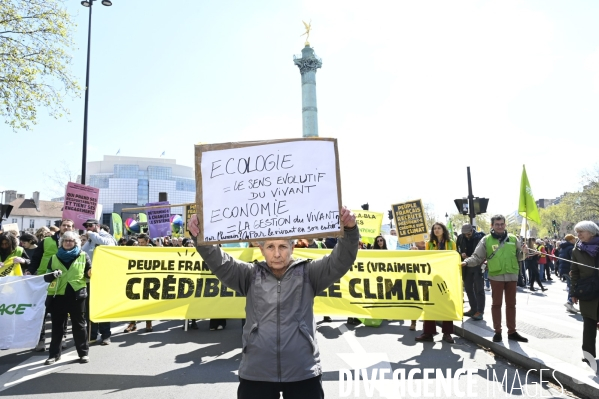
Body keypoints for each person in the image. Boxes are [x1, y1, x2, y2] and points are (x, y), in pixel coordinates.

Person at [188, 207, 358, 398]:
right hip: (256, 373)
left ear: (292, 247)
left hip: (303, 372)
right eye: (270, 247)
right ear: (261, 249)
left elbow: (341, 260)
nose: (277, 254)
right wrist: (199, 237)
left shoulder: (310, 273)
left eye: (283, 246)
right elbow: (219, 261)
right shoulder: (248, 275)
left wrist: (350, 230)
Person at [461, 215, 529, 343]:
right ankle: (497, 331)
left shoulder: (513, 239)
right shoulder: (486, 240)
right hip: (496, 276)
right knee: (496, 304)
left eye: (502, 224)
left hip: (512, 275)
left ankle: (512, 332)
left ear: (505, 225)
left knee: (511, 305)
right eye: (497, 224)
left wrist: (525, 252)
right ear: (492, 225)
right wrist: (466, 262)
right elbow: (477, 257)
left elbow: (520, 257)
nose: (500, 226)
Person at [43, 231, 91, 365]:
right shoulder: (54, 257)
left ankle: (83, 354)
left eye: (71, 241)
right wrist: (53, 274)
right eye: (65, 240)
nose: (68, 242)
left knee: (79, 326)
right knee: (57, 326)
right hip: (58, 296)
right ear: (61, 242)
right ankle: (54, 355)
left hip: (77, 295)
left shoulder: (83, 255)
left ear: (76, 243)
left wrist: (91, 272)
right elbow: (46, 277)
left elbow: (89, 274)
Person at [28, 219, 75, 352]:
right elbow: (36, 258)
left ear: (72, 228)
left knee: (62, 311)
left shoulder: (73, 242)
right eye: (64, 225)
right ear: (60, 227)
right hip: (45, 279)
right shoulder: (47, 241)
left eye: (69, 226)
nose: (66, 227)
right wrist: (30, 270)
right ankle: (40, 340)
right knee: (42, 311)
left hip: (63, 281)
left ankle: (62, 337)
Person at [415, 222, 457, 344]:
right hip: (432, 278)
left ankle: (447, 333)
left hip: (446, 278)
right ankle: (428, 333)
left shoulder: (451, 244)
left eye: (439, 228)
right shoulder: (429, 244)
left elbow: (453, 259)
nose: (436, 230)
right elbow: (427, 259)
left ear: (443, 230)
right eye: (434, 229)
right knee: (429, 304)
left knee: (447, 305)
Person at [82, 218, 116, 345]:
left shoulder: (104, 236)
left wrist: (92, 235)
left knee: (103, 307)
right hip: (90, 278)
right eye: (86, 226)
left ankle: (106, 335)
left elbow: (110, 245)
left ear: (98, 225)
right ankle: (92, 334)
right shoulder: (91, 239)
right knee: (90, 308)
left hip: (103, 279)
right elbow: (83, 254)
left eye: (90, 225)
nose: (88, 228)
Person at [570, 221, 599, 365]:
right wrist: (573, 292)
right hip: (587, 290)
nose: (578, 234)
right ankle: (588, 355)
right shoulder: (577, 249)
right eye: (577, 232)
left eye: (581, 231)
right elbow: (574, 272)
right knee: (588, 323)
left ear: (591, 233)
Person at [124, 233, 153, 333]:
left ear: (147, 241)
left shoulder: (155, 251)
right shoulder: (135, 250)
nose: (140, 244)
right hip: (136, 279)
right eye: (139, 242)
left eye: (142, 243)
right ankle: (133, 323)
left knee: (147, 302)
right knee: (134, 301)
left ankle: (148, 322)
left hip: (149, 279)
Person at [456, 224, 486, 320]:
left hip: (478, 265)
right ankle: (473, 308)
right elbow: (458, 249)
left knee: (479, 289)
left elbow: (485, 251)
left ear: (472, 230)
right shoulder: (460, 237)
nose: (467, 236)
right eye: (465, 234)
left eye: (468, 234)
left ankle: (480, 311)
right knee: (468, 288)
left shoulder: (480, 236)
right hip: (466, 266)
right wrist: (462, 254)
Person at [559, 234, 577, 313]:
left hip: (564, 269)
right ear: (571, 240)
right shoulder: (571, 248)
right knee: (572, 286)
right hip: (569, 270)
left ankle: (569, 305)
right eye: (574, 239)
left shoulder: (563, 247)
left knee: (570, 285)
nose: (575, 240)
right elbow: (573, 259)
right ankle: (569, 302)